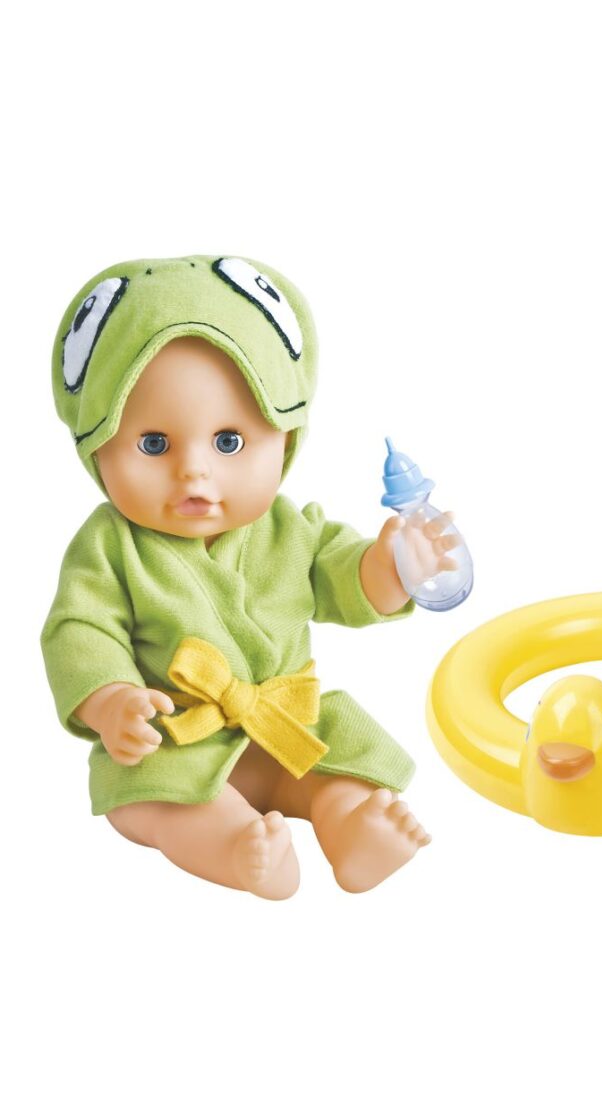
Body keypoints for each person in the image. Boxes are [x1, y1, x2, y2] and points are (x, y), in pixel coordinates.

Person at [42, 256, 455, 897]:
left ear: (283, 440)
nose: (194, 472)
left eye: (229, 442)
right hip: (175, 742)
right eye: (154, 444)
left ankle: (349, 826)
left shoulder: (292, 529)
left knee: (338, 770)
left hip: (284, 727)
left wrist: (392, 566)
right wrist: (113, 701)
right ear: (97, 448)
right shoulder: (109, 546)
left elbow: (344, 576)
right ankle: (236, 848)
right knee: (156, 804)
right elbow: (80, 629)